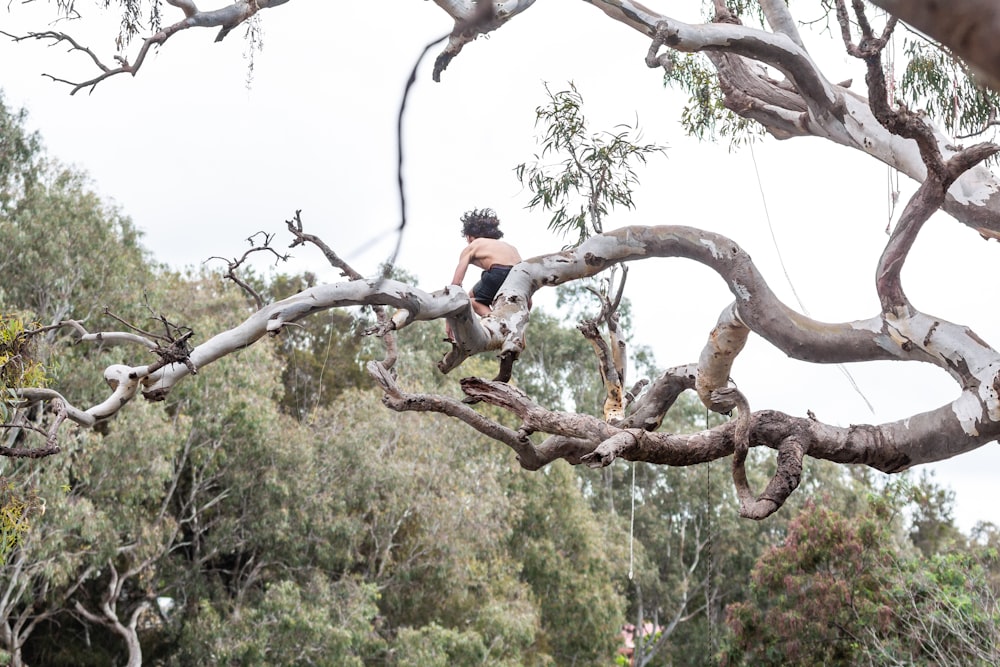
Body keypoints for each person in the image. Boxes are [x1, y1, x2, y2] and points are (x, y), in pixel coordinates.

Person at [450, 208, 522, 317]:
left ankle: (496, 321)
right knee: (474, 293)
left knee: (471, 300)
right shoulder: (510, 247)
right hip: (520, 278)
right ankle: (509, 323)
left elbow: (456, 283)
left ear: (469, 237)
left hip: (498, 273)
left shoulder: (474, 245)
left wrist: (450, 316)